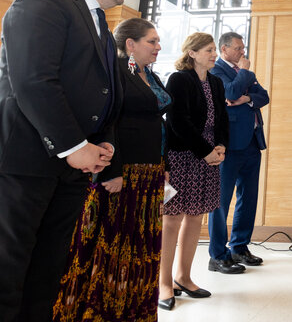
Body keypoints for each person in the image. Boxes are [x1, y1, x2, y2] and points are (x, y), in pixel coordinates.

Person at [0, 0, 131, 321]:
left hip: (72, 168)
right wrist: (74, 145)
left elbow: (104, 91)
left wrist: (102, 142)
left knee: (48, 269)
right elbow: (34, 80)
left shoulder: (103, 28)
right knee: (8, 266)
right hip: (26, 160)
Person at [52, 18, 171, 321]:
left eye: (158, 41)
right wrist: (111, 171)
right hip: (123, 170)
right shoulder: (117, 70)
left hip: (149, 171)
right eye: (152, 41)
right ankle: (104, 310)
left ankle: (134, 308)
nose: (159, 47)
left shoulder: (147, 74)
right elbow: (108, 122)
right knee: (115, 241)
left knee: (140, 242)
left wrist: (164, 165)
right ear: (130, 45)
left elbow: (158, 123)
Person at [159, 32, 229, 311]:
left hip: (210, 156)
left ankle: (184, 277)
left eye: (214, 50)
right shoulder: (179, 79)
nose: (214, 54)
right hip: (182, 156)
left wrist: (221, 147)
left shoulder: (216, 82)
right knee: (172, 218)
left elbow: (222, 119)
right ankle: (164, 283)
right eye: (209, 50)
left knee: (196, 217)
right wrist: (206, 151)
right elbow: (177, 121)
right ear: (193, 53)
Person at [208, 32, 269, 271]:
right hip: (229, 145)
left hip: (253, 142)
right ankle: (218, 254)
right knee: (221, 201)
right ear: (224, 50)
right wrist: (244, 74)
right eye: (238, 48)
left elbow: (264, 96)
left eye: (243, 47)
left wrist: (247, 99)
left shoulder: (244, 72)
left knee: (248, 197)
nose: (243, 52)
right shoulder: (217, 71)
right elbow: (230, 93)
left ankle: (240, 247)